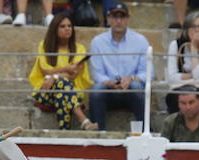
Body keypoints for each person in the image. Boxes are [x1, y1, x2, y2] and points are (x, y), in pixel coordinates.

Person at [87, 3, 150, 131]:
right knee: (97, 90)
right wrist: (109, 82)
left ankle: (145, 131)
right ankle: (99, 133)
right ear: (108, 19)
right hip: (109, 90)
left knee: (137, 86)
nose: (119, 21)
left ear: (128, 19)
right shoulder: (98, 41)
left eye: (123, 16)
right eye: (115, 17)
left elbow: (148, 73)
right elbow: (97, 73)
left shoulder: (141, 40)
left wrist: (131, 78)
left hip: (131, 90)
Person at [28, 11, 95, 130]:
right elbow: (45, 70)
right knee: (62, 86)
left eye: (69, 26)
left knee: (60, 91)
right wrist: (66, 69)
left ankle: (65, 130)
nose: (67, 29)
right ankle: (83, 120)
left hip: (71, 91)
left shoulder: (79, 48)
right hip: (45, 90)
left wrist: (54, 77)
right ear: (55, 29)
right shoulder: (44, 46)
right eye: (63, 26)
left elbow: (73, 75)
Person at [166, 12, 199, 114]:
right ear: (186, 30)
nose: (197, 30)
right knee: (175, 99)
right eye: (193, 27)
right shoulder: (175, 45)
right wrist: (196, 77)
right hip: (179, 88)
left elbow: (198, 74)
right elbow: (171, 77)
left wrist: (194, 48)